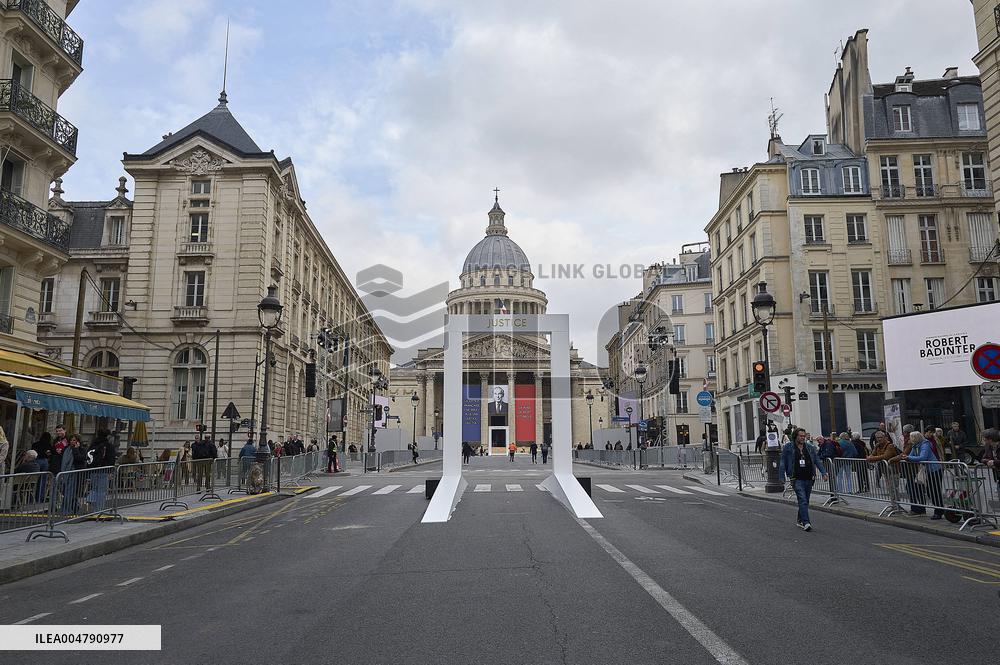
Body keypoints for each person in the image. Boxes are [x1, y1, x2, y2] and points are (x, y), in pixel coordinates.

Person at [780, 428, 828, 531]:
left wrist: (824, 473)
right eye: (800, 436)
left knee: (805, 500)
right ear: (795, 436)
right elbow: (783, 461)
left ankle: (800, 519)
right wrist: (781, 476)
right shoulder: (788, 447)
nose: (802, 438)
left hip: (809, 477)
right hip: (796, 478)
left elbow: (817, 461)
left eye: (804, 436)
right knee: (802, 499)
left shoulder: (810, 447)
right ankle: (806, 523)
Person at [904, 430, 944, 519]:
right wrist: (906, 457)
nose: (910, 440)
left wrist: (908, 458)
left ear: (915, 438)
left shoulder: (925, 444)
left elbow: (923, 457)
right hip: (925, 471)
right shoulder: (915, 446)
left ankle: (939, 511)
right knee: (929, 491)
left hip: (934, 470)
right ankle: (932, 509)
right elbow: (910, 456)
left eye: (911, 438)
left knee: (934, 491)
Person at [86, 430, 116, 512]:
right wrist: (110, 471)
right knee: (102, 491)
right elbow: (111, 459)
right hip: (104, 470)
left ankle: (90, 499)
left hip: (93, 470)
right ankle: (98, 509)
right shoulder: (108, 446)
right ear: (108, 436)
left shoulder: (93, 444)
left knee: (94, 488)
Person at [58, 435, 87, 514]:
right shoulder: (66, 449)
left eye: (74, 440)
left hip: (75, 473)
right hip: (65, 472)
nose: (72, 442)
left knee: (69, 492)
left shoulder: (81, 449)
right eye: (71, 440)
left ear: (78, 441)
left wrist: (76, 449)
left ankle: (65, 510)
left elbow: (80, 459)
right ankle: (75, 508)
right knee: (67, 492)